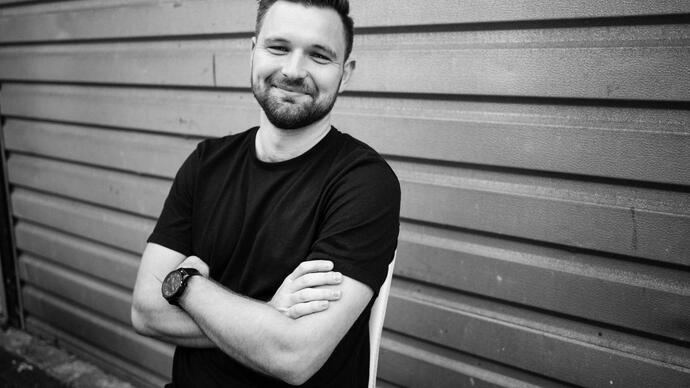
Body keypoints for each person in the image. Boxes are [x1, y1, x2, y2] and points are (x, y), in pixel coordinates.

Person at [130, 0, 400, 386]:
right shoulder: (207, 163)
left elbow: (293, 355)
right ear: (252, 51)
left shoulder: (364, 183)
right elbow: (144, 310)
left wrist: (186, 285)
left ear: (347, 72)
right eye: (278, 48)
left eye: (319, 55)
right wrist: (268, 315)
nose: (293, 70)